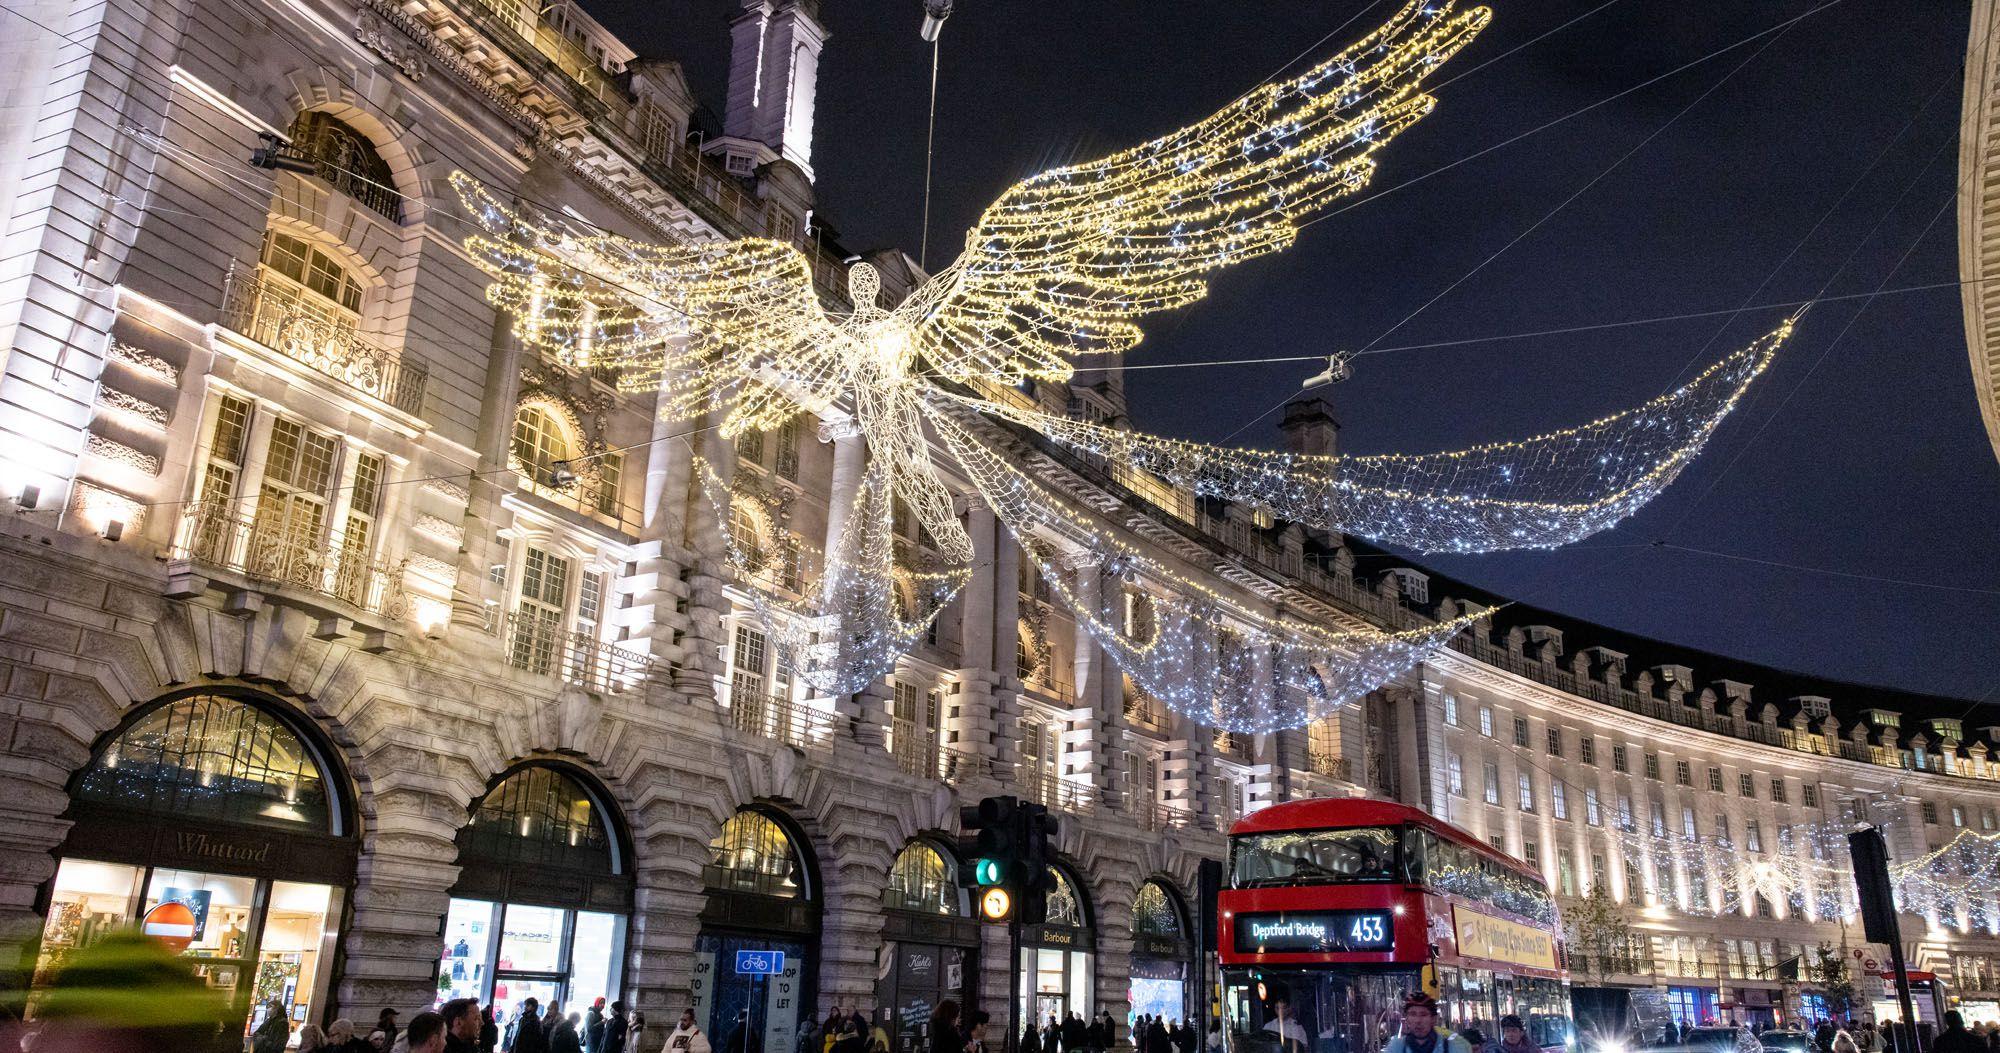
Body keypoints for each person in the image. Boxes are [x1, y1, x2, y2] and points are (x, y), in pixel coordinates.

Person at [1385, 996, 1471, 1053]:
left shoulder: (1453, 1047)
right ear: (1406, 1019)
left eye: (1423, 1014)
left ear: (1433, 1019)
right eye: (1413, 1014)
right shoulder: (1396, 1047)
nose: (1418, 1020)